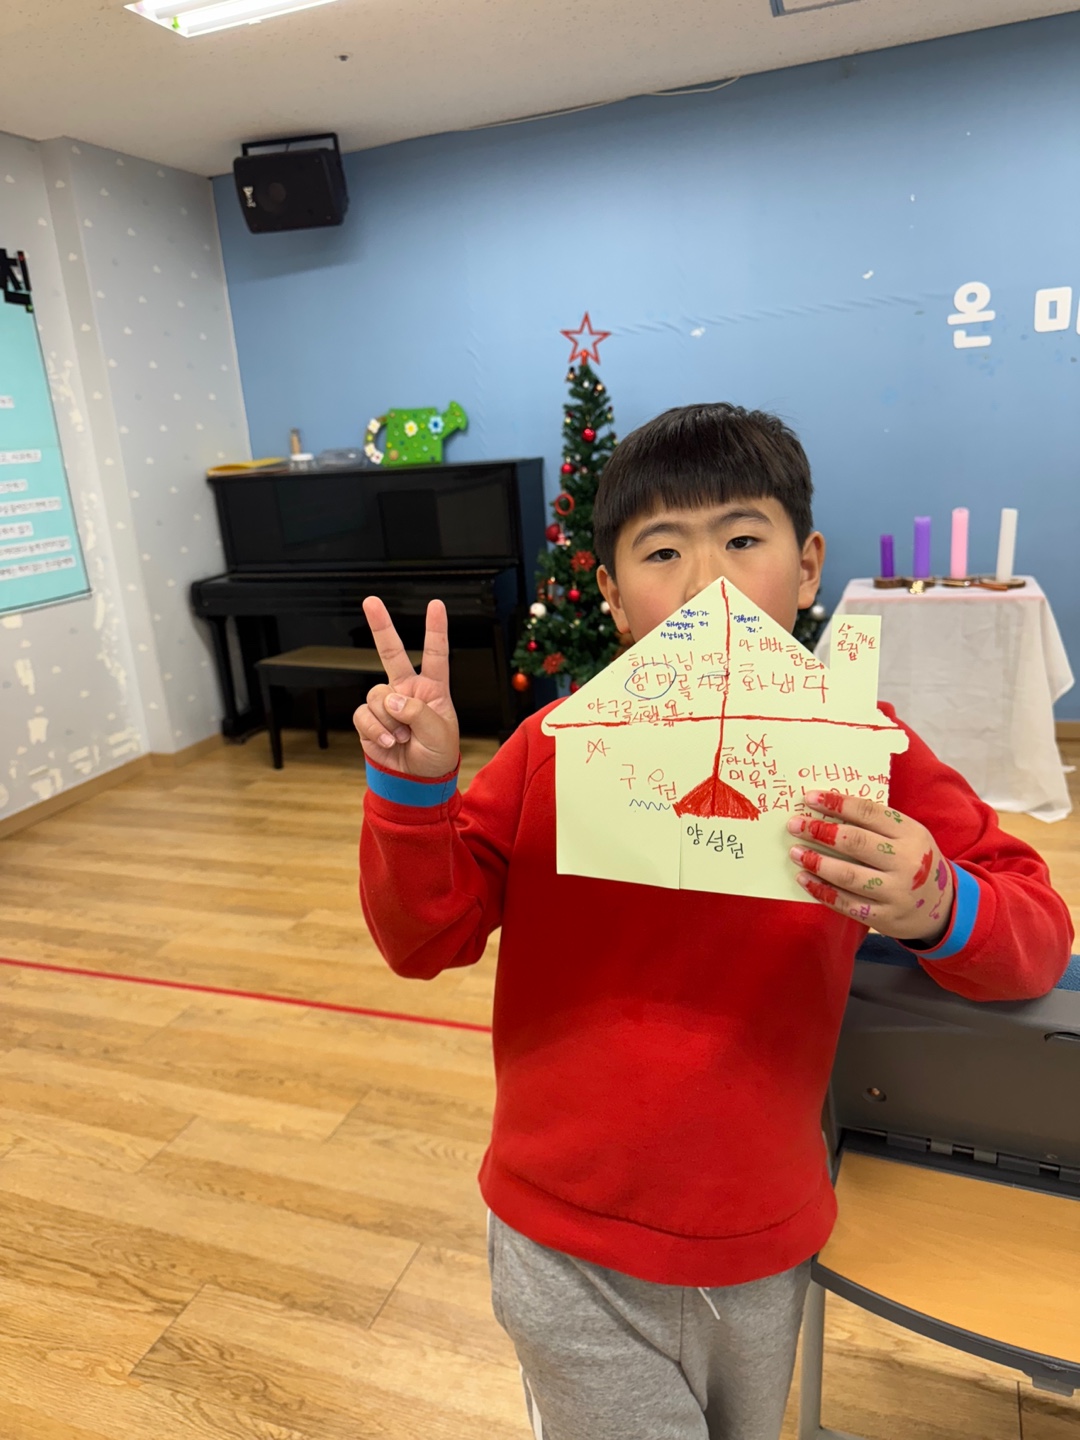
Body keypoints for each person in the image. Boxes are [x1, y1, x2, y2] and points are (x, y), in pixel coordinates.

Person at [353, 403, 1072, 1440]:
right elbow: (425, 938)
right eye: (661, 552)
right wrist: (413, 794)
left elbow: (1035, 932)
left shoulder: (868, 749)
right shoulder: (553, 746)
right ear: (611, 597)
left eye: (742, 539)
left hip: (764, 1237)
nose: (707, 586)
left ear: (808, 566)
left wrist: (937, 902)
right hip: (564, 1238)